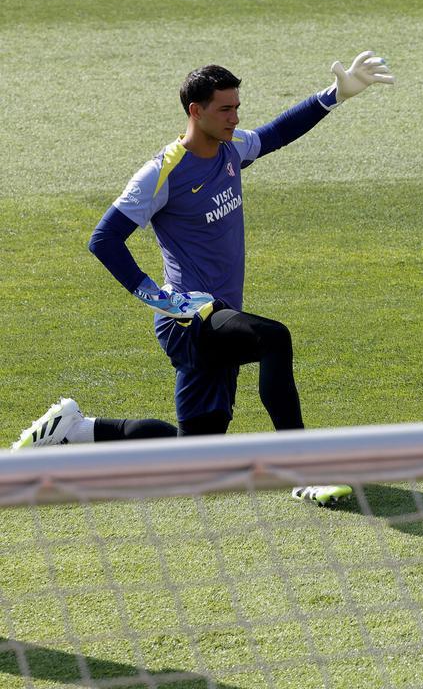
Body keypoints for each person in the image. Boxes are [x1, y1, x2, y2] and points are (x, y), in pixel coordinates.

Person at [10, 52, 394, 507]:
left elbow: (275, 134)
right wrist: (157, 297)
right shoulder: (162, 172)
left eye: (236, 107)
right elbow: (104, 239)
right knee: (274, 338)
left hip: (220, 316)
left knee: (197, 459)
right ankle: (304, 470)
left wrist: (334, 96)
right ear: (196, 111)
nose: (235, 117)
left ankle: (79, 430)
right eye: (225, 109)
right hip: (191, 321)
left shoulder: (231, 149)